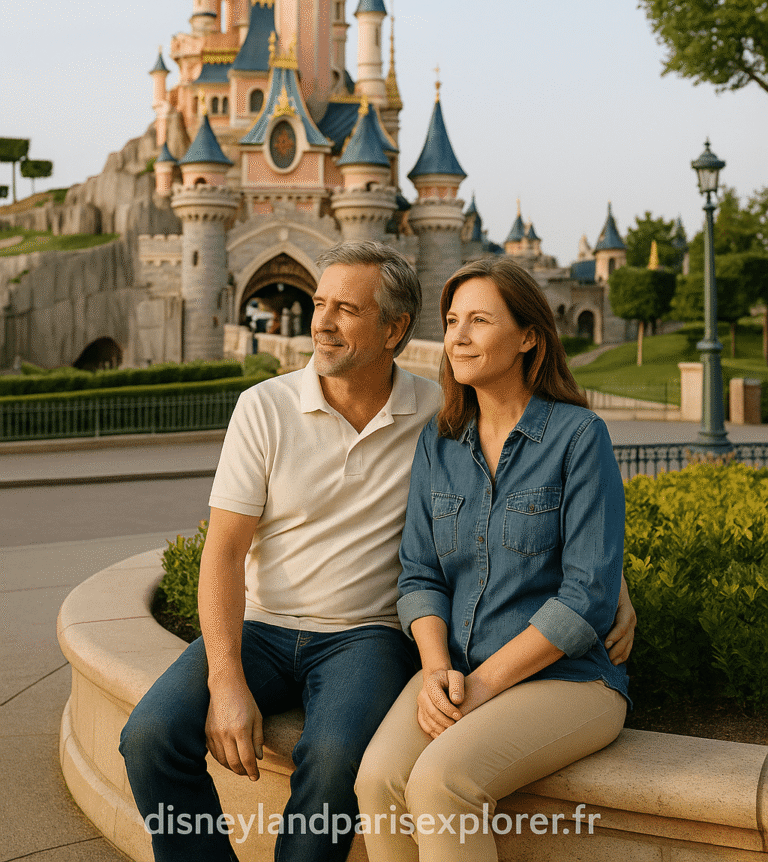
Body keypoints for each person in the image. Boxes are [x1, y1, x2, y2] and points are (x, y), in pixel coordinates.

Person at [120, 243, 635, 862]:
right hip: (268, 627)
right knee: (149, 736)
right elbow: (229, 554)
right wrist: (227, 683)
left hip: (367, 638)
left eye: (345, 309)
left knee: (344, 764)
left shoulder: (437, 416)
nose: (321, 323)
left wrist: (611, 587)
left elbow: (574, 548)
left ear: (394, 329)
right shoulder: (293, 411)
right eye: (318, 305)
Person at [355, 258, 631, 862]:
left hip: (570, 679)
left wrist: (478, 687)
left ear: (529, 336)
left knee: (441, 783)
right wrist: (435, 673)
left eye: (479, 320)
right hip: (454, 671)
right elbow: (420, 574)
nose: (457, 336)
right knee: (376, 781)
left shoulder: (579, 436)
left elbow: (586, 595)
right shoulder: (440, 439)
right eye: (453, 320)